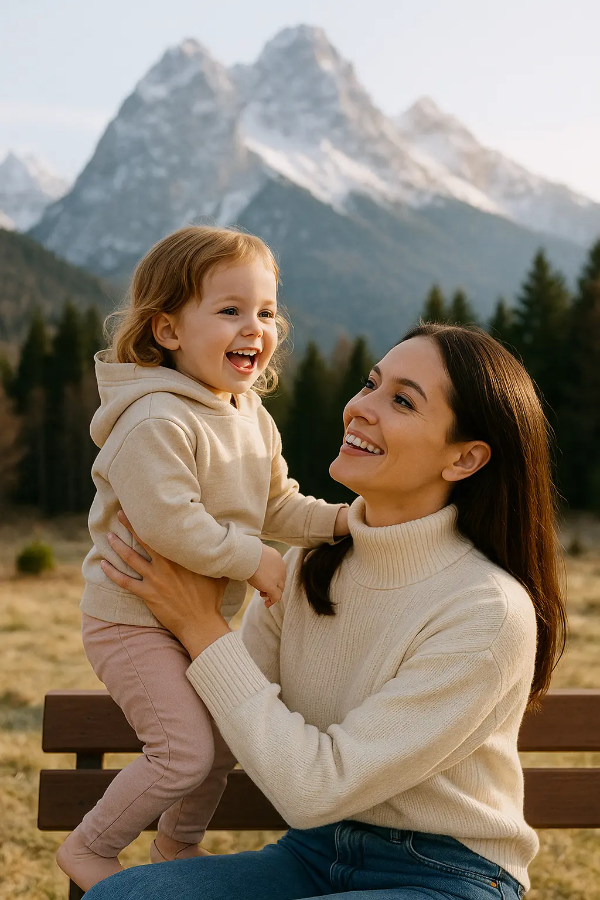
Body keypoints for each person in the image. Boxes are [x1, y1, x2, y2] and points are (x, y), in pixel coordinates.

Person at [87, 324, 567, 900]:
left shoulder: (485, 612)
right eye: (370, 383)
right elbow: (236, 712)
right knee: (122, 896)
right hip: (314, 854)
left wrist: (199, 624)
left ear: (465, 458)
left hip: (447, 874)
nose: (361, 408)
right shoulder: (312, 566)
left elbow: (314, 788)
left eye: (401, 400)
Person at [57, 226, 349, 891]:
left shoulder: (249, 415)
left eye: (266, 312)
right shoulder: (157, 420)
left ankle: (175, 848)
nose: (255, 327)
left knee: (221, 745)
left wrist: (339, 521)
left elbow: (278, 504)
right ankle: (90, 847)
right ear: (167, 330)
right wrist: (255, 562)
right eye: (230, 310)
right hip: (131, 622)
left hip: (196, 625)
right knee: (182, 752)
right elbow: (171, 526)